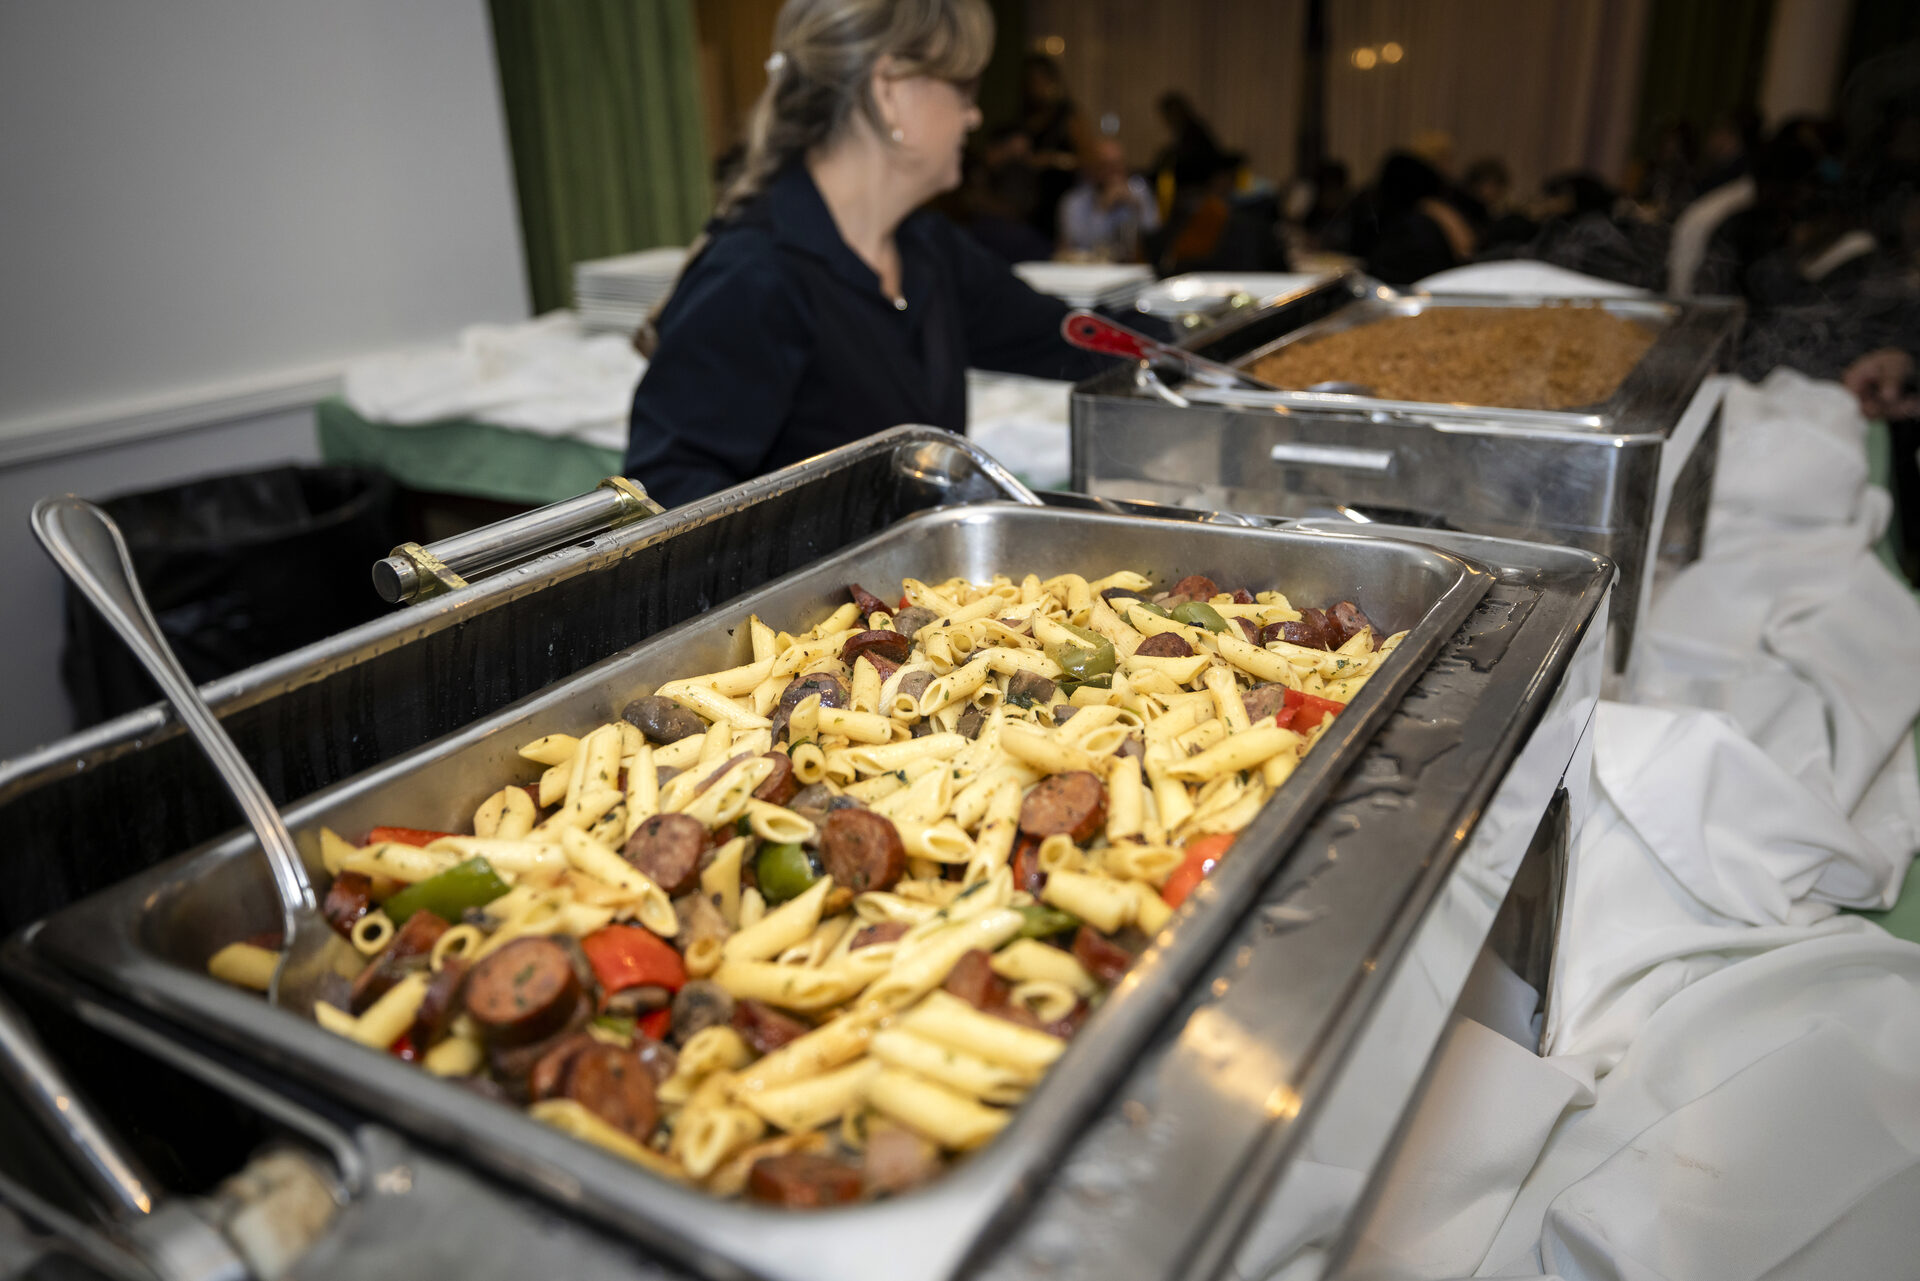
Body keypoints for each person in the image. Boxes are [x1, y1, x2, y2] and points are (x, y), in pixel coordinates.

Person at [623, 0, 1110, 509]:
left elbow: (1066, 337)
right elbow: (667, 500)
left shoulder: (928, 247)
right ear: (889, 92)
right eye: (964, 88)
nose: (974, 115)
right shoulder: (758, 271)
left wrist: (1169, 350)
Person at [1056, 138, 1159, 261]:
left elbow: (1155, 235)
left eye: (1117, 164)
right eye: (1105, 165)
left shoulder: (1139, 192)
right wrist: (1102, 209)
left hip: (1132, 266)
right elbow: (1079, 245)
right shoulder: (1074, 201)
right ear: (1093, 168)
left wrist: (1138, 208)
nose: (1113, 172)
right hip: (1090, 270)